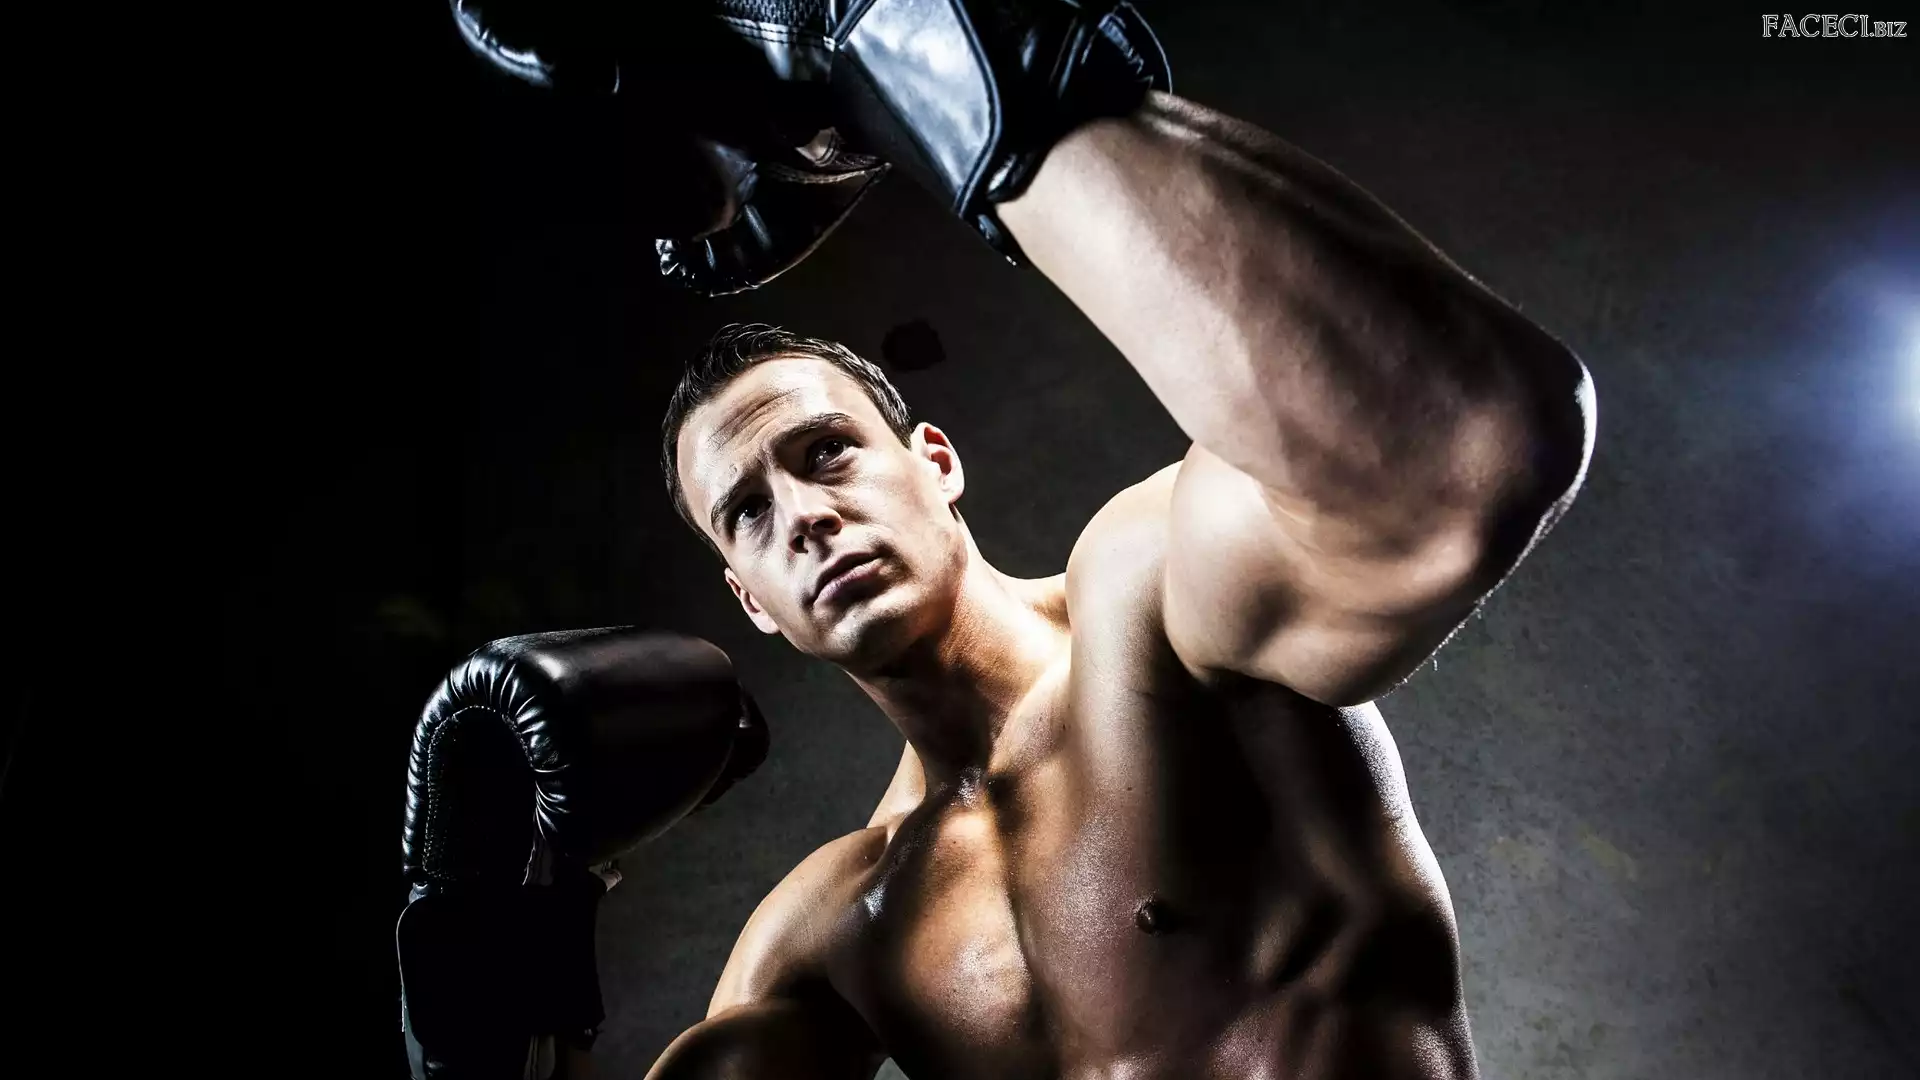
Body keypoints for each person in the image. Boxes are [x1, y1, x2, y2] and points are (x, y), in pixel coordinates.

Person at [437, 2, 1598, 1078]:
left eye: (827, 451)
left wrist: (900, 44)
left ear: (936, 463)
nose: (804, 516)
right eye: (747, 512)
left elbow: (1461, 452)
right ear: (748, 598)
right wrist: (500, 929)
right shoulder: (838, 928)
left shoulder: (1150, 606)